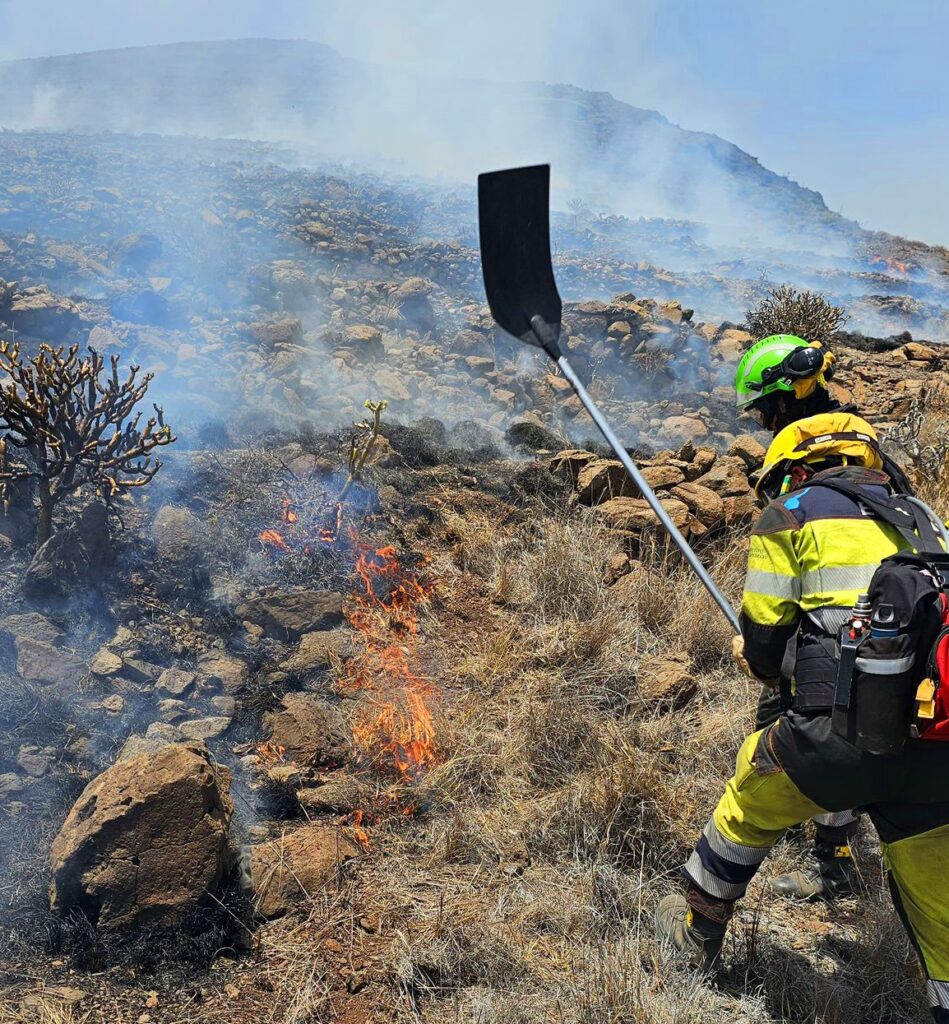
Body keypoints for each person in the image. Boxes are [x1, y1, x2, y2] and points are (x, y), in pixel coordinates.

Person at [654, 413, 949, 1020]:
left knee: (746, 799)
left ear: (796, 467)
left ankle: (694, 936)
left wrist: (758, 659)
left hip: (832, 743)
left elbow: (764, 638)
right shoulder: (924, 516)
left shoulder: (789, 513)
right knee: (943, 922)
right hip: (936, 750)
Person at [736, 339, 912, 899]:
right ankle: (830, 843)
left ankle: (830, 859)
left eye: (765, 409)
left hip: (848, 621)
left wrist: (764, 652)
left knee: (821, 717)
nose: (763, 423)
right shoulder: (857, 448)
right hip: (889, 626)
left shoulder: (824, 449)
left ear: (788, 394)